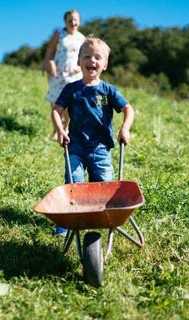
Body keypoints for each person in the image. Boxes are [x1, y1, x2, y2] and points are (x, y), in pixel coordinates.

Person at [51, 37, 135, 236]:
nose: (92, 61)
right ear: (79, 61)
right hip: (76, 147)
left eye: (98, 57)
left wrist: (125, 128)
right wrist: (60, 130)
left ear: (105, 64)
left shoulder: (108, 90)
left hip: (101, 149)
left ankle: (103, 220)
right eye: (87, 56)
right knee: (74, 185)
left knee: (104, 189)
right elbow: (56, 110)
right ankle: (65, 226)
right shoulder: (72, 89)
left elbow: (128, 109)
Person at [43, 9, 85, 138]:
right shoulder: (59, 35)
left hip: (74, 75)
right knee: (55, 102)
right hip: (58, 73)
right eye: (70, 20)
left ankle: (65, 129)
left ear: (79, 21)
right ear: (65, 22)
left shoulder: (82, 38)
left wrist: (81, 67)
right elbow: (50, 52)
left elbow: (85, 56)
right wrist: (50, 64)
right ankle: (56, 130)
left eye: (75, 20)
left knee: (70, 102)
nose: (73, 22)